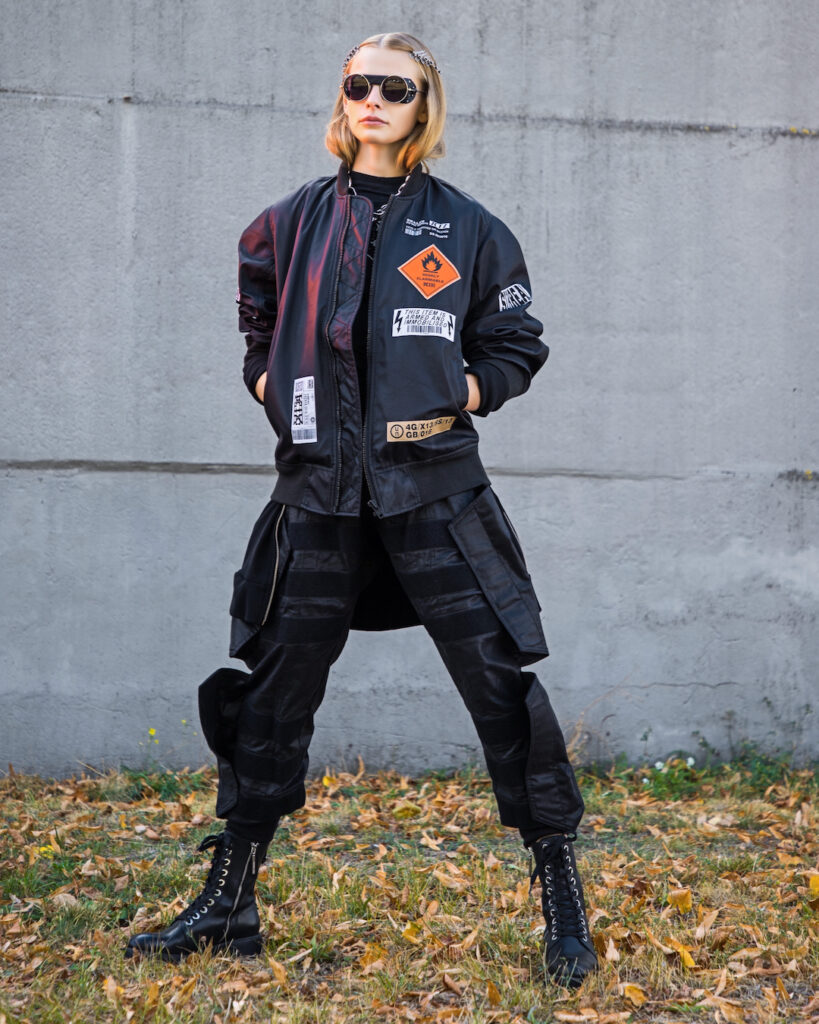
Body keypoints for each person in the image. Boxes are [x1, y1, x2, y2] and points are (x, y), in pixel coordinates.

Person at [125, 31, 598, 988]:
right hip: (318, 496)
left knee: (505, 693)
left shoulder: (469, 228)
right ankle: (231, 902)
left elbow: (515, 341)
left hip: (436, 494)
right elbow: (257, 315)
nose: (375, 98)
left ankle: (562, 902)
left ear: (423, 109)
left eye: (398, 87)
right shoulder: (285, 222)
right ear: (341, 103)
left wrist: (465, 391)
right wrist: (265, 378)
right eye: (360, 84)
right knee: (268, 698)